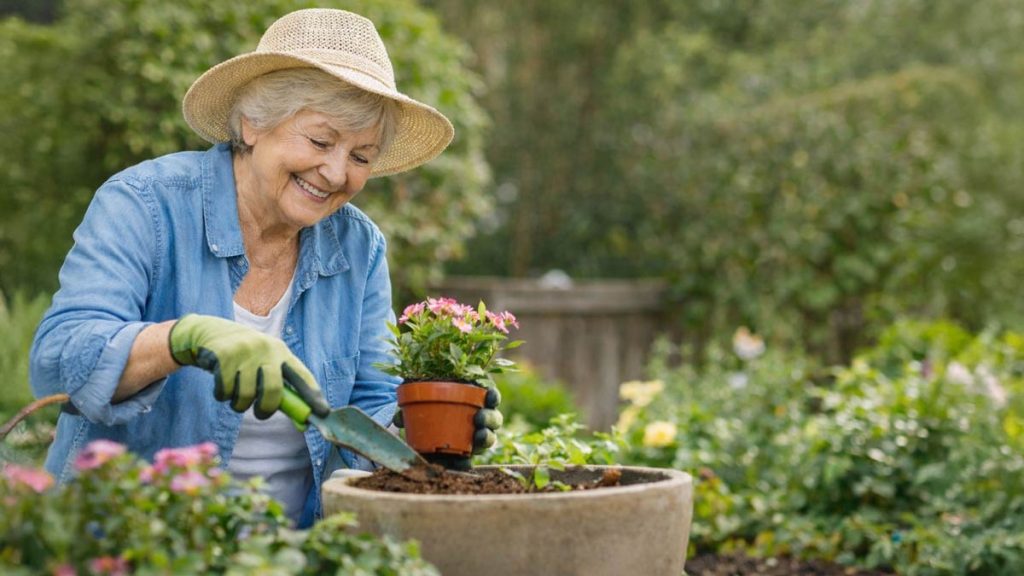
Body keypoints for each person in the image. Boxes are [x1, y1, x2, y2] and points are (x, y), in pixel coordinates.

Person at [29, 8, 500, 528]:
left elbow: (371, 405)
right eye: (321, 141)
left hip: (288, 553)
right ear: (253, 124)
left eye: (361, 157)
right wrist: (183, 338)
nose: (336, 172)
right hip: (135, 545)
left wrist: (434, 426)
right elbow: (57, 362)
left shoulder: (359, 247)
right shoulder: (144, 205)